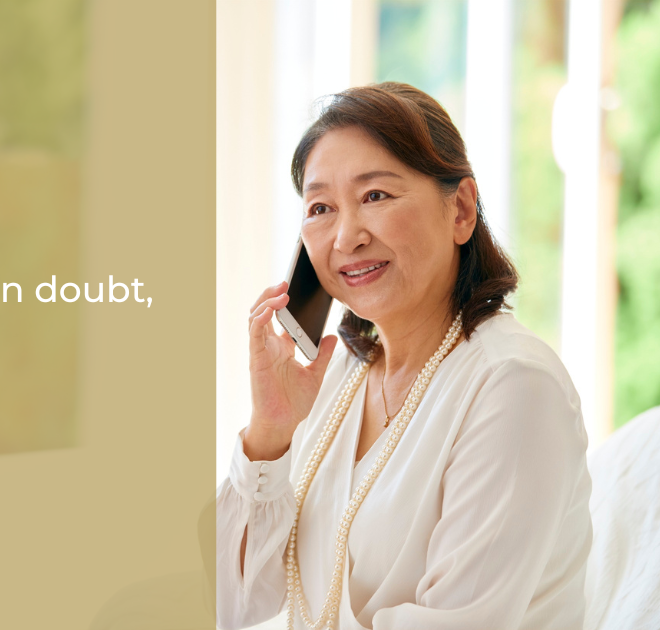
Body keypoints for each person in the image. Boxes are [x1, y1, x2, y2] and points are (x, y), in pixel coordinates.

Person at [216, 82, 592, 630]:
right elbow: (234, 601)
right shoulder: (344, 372)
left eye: (375, 196)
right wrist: (270, 432)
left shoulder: (513, 386)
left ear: (461, 210)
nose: (346, 236)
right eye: (320, 207)